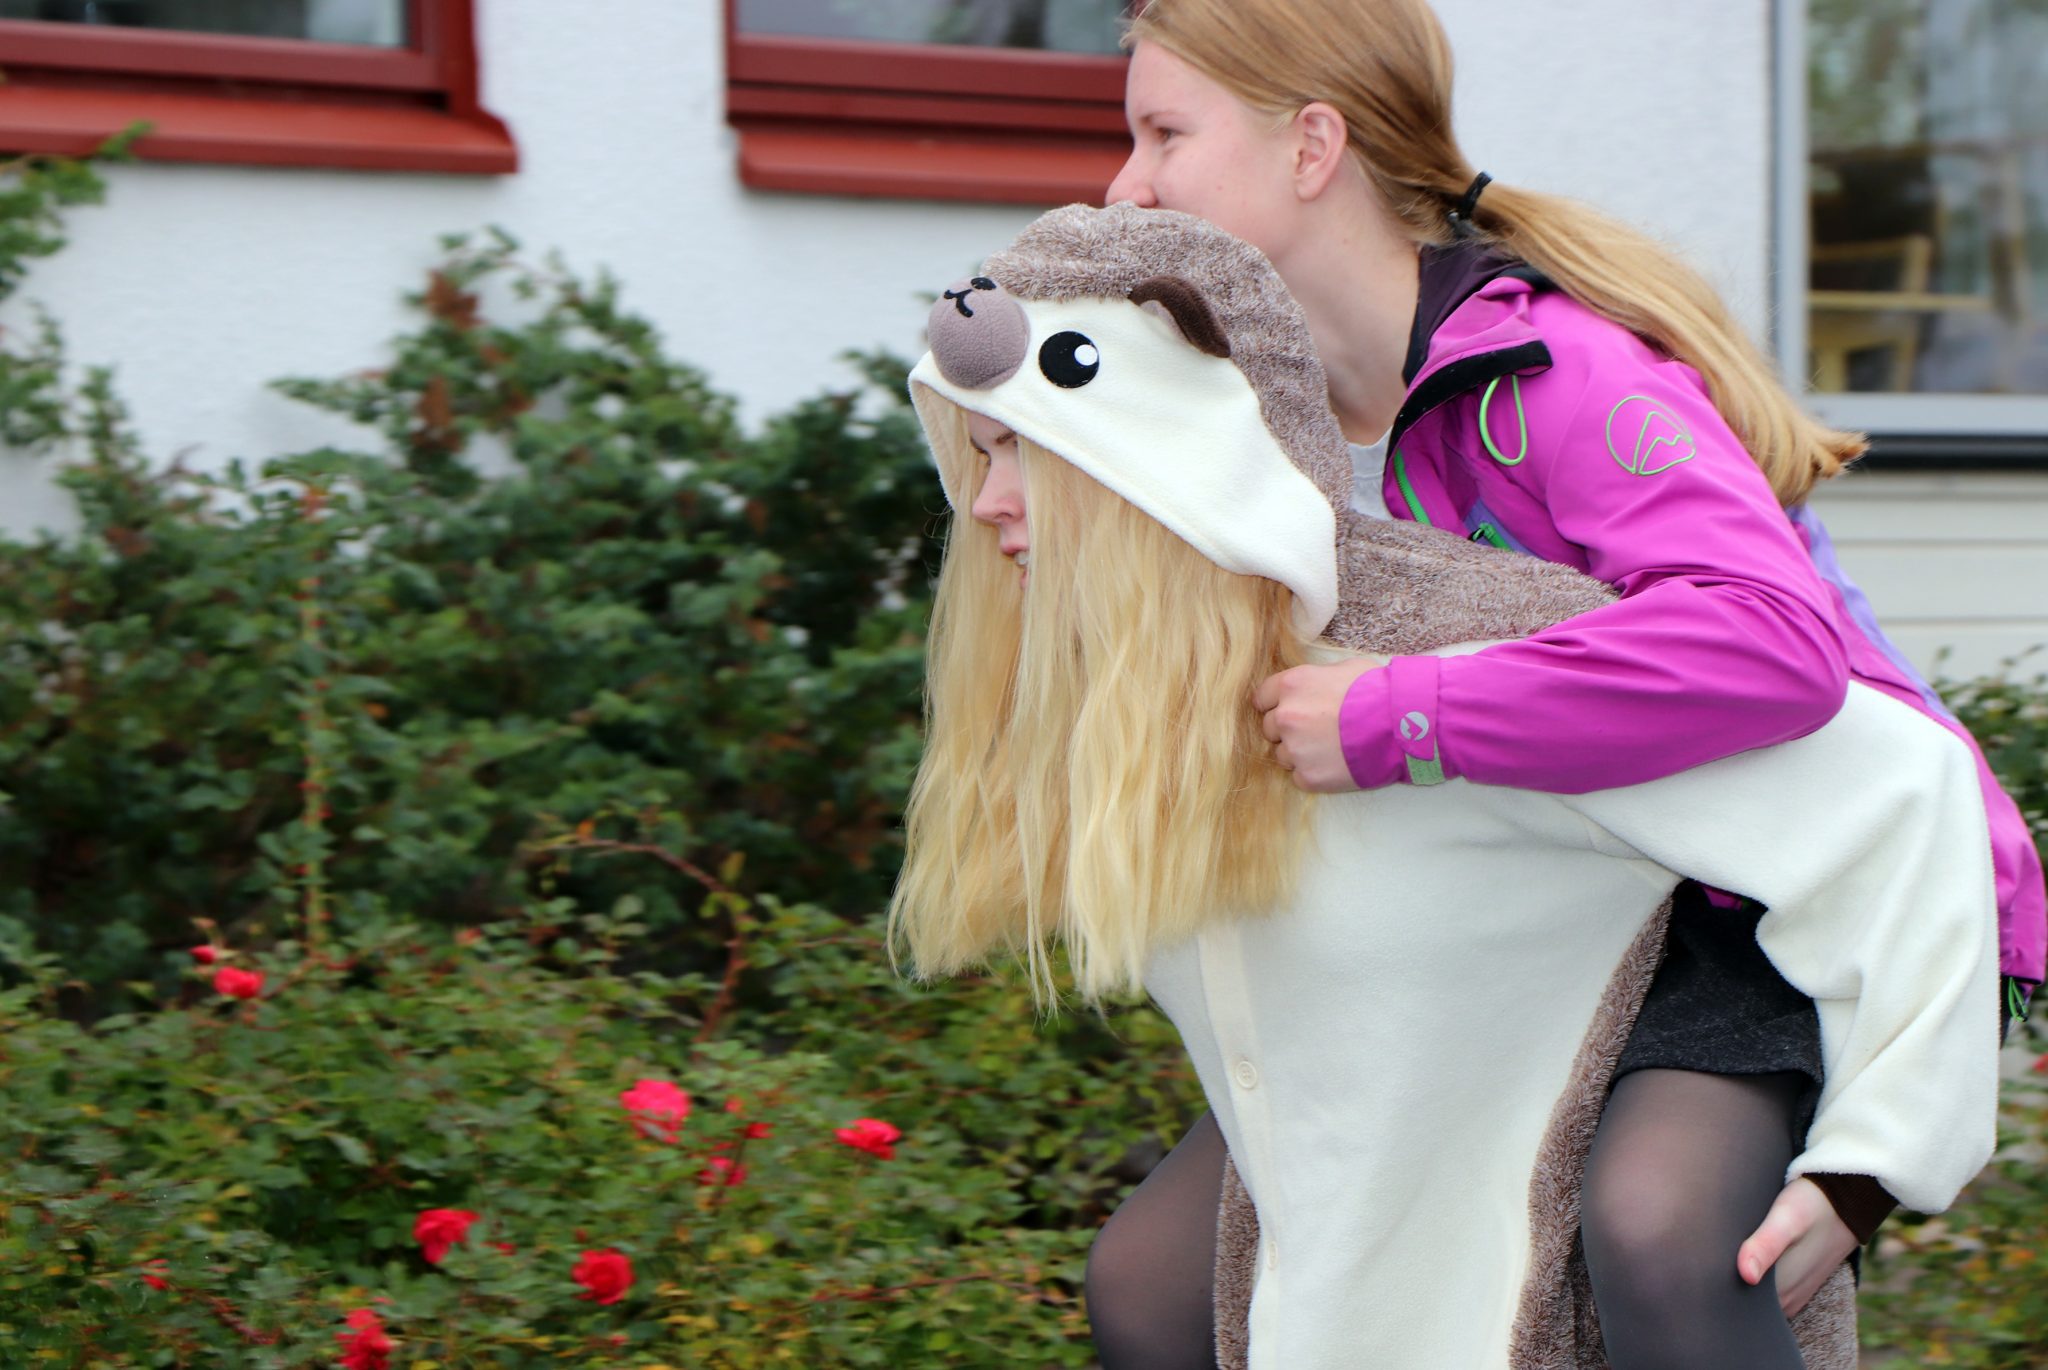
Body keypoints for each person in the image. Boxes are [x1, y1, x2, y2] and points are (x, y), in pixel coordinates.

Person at [890, 202, 2001, 1369]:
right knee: (1145, 1285)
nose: (985, 501)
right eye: (980, 453)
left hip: (1657, 1013)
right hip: (1402, 1136)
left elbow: (1896, 778)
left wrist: (1873, 1159)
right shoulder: (1136, 701)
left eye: (1022, 450)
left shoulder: (1432, 650)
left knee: (1660, 1233)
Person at [1101, 0, 2043, 1358]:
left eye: (1163, 135)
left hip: (1726, 893)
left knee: (1661, 1225)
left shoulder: (1549, 371)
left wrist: (1406, 716)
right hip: (1486, 910)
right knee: (1150, 1283)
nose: (1126, 188)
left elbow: (1767, 636)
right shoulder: (1253, 417)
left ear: (1311, 146)